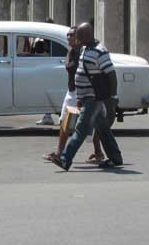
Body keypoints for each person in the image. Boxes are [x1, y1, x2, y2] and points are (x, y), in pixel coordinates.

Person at [50, 22, 123, 171]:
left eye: (78, 36)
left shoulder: (99, 51)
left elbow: (111, 74)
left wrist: (113, 97)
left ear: (85, 36)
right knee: (103, 129)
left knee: (81, 129)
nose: (75, 38)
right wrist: (79, 98)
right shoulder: (85, 49)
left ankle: (65, 159)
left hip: (94, 98)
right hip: (86, 97)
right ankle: (116, 158)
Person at [44, 27, 105, 164]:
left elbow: (74, 67)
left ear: (79, 37)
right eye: (67, 35)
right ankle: (96, 152)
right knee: (69, 121)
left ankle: (64, 155)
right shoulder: (73, 50)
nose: (68, 37)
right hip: (73, 91)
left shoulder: (85, 51)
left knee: (82, 123)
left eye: (71, 35)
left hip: (84, 92)